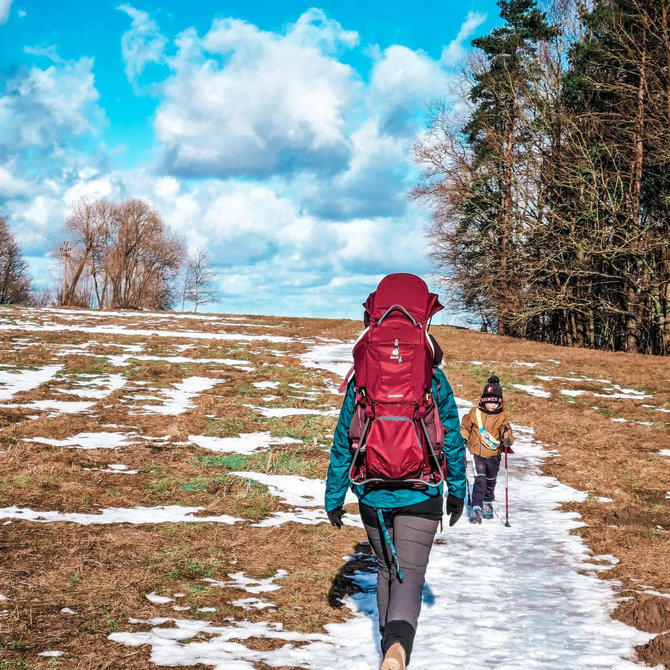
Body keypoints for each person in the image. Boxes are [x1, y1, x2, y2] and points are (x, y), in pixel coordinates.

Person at [325, 309, 466, 670]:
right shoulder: (433, 379)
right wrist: (457, 492)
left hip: (371, 490)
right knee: (410, 573)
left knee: (387, 570)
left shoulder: (363, 380)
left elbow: (344, 440)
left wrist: (334, 498)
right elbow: (451, 439)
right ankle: (398, 650)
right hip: (423, 488)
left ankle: (390, 649)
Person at [460, 375, 514, 524]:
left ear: (500, 403)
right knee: (480, 479)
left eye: (495, 402)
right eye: (489, 401)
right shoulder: (474, 413)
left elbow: (507, 430)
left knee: (491, 480)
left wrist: (507, 439)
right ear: (483, 400)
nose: (491, 405)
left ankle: (488, 502)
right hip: (477, 452)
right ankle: (476, 506)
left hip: (494, 453)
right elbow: (465, 427)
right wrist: (463, 437)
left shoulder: (502, 416)